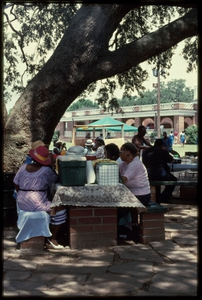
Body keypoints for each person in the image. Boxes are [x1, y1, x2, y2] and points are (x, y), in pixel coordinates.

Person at [13, 145, 67, 249]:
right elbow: (55, 179)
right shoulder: (46, 171)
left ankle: (47, 232)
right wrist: (51, 166)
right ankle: (53, 238)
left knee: (51, 206)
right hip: (36, 202)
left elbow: (15, 182)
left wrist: (21, 193)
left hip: (21, 201)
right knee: (60, 208)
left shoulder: (23, 167)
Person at [142, 138, 177, 203]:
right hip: (161, 173)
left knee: (158, 181)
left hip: (148, 173)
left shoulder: (146, 151)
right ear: (162, 145)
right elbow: (170, 159)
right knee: (173, 180)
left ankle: (158, 197)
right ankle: (163, 197)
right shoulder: (162, 151)